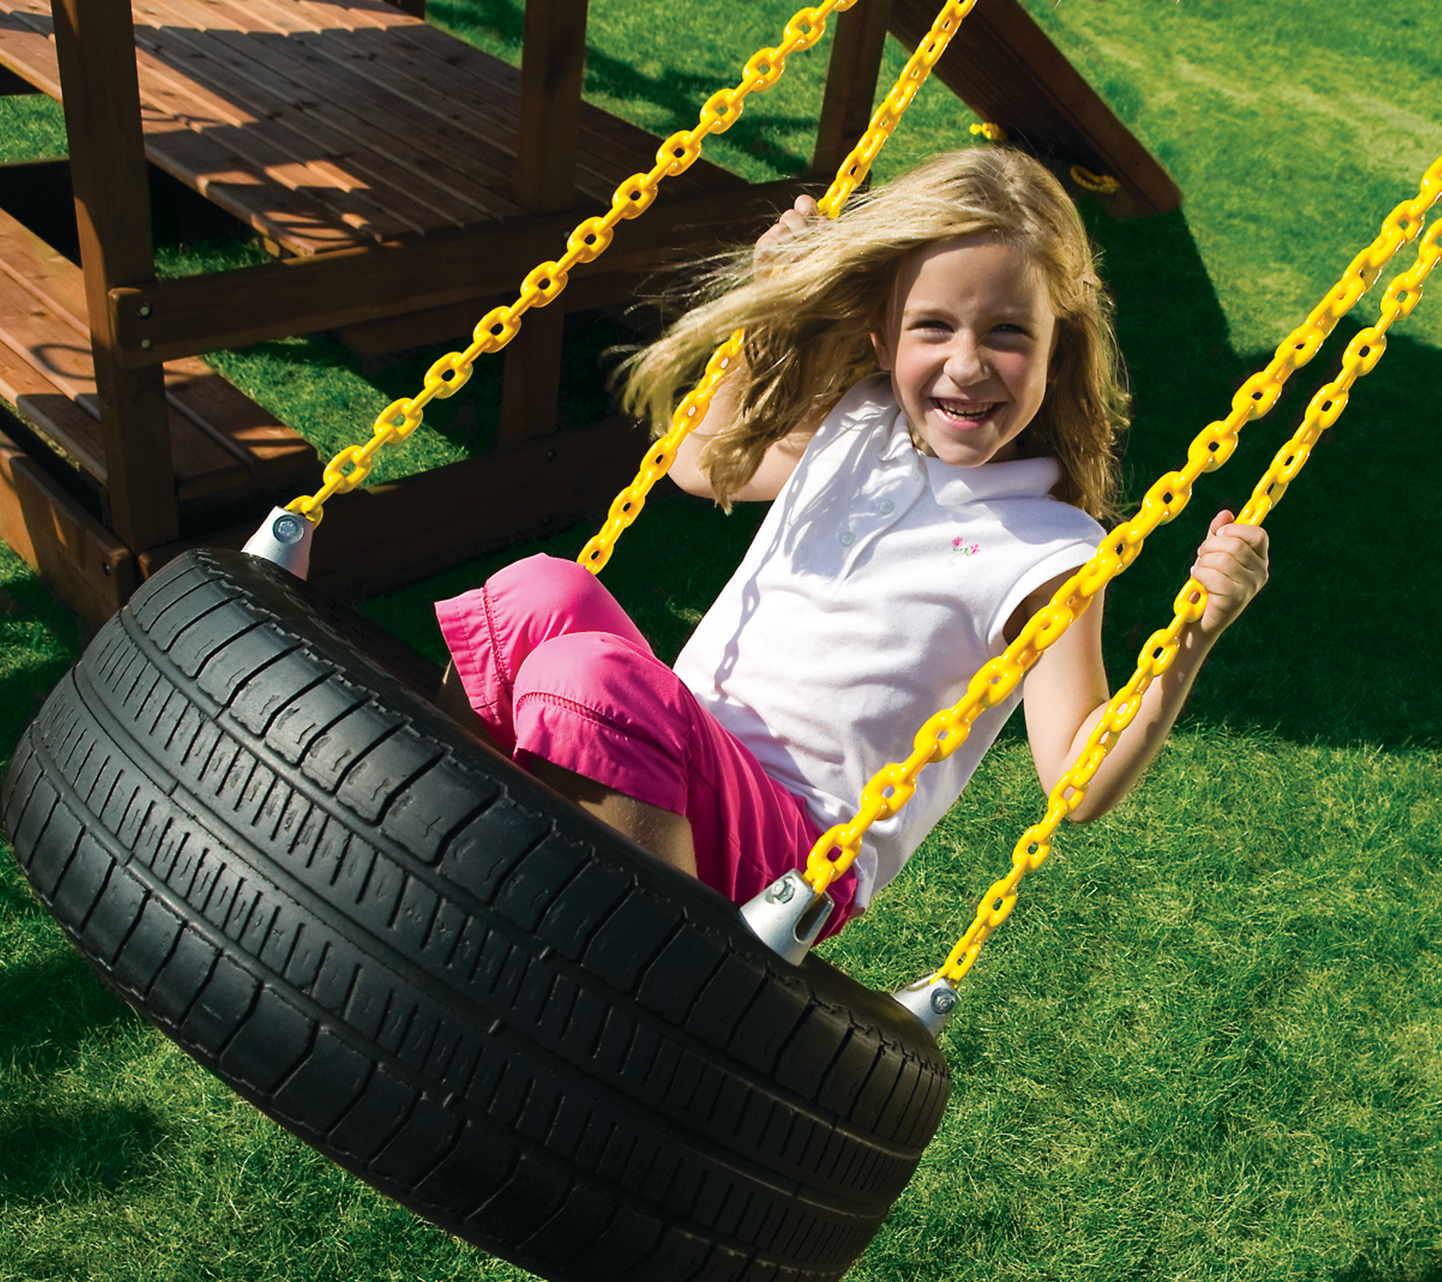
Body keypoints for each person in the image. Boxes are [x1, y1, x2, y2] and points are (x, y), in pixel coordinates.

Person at [435, 147, 1269, 939]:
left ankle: (674, 971)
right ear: (883, 337)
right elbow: (699, 464)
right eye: (933, 327)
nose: (967, 365)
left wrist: (1192, 638)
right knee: (539, 593)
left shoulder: (1051, 550)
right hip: (690, 756)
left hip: (800, 846)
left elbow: (1076, 779)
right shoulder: (862, 418)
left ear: (1060, 350)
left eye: (1009, 333)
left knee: (590, 677)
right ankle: (422, 831)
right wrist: (770, 303)